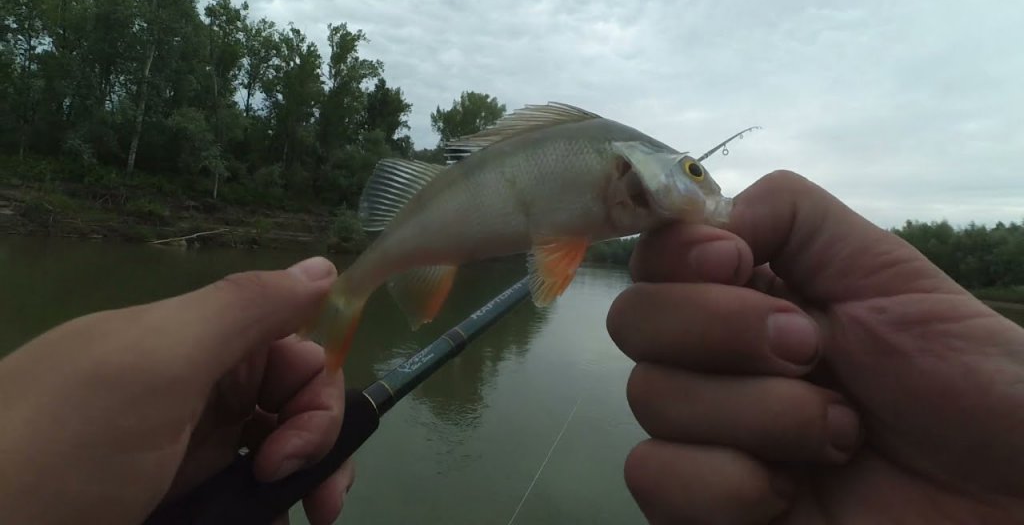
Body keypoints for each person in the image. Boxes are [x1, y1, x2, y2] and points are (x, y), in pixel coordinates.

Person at [0, 170, 1021, 524]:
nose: (700, 199)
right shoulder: (608, 185)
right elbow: (555, 257)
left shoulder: (605, 211)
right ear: (631, 177)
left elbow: (557, 256)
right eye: (685, 180)